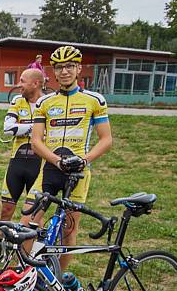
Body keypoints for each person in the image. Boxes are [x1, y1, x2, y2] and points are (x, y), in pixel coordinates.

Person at [22, 45, 113, 271]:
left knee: (69, 230)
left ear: (78, 68)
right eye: (59, 67)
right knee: (27, 224)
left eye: (69, 66)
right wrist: (56, 161)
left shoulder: (94, 100)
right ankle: (21, 272)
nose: (64, 71)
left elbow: (106, 139)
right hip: (50, 170)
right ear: (53, 71)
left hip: (78, 173)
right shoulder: (45, 103)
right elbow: (36, 140)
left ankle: (59, 279)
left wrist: (84, 160)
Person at [0, 69, 45, 221]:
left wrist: (22, 128)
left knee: (35, 213)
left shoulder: (49, 103)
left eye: (23, 81)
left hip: (39, 164)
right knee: (6, 209)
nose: (19, 85)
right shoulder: (17, 100)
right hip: (17, 162)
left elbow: (51, 131)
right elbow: (8, 128)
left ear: (36, 83)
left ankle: (36, 244)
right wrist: (36, 128)